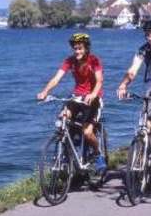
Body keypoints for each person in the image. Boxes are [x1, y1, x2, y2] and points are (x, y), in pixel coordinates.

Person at [37, 33, 106, 171]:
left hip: (93, 99)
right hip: (76, 97)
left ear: (86, 48)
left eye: (80, 48)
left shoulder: (94, 61)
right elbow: (56, 78)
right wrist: (45, 91)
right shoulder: (69, 61)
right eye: (75, 48)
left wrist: (93, 94)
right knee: (63, 117)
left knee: (87, 132)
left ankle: (98, 155)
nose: (77, 51)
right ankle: (67, 150)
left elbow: (99, 81)